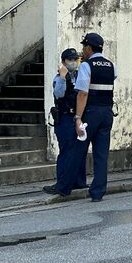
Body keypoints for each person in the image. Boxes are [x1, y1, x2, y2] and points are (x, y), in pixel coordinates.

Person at [55, 33, 117, 202]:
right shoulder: (111, 65)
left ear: (89, 48)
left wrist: (77, 118)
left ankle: (63, 187)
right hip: (107, 113)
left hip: (91, 114)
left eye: (84, 47)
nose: (83, 51)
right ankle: (98, 192)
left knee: (77, 150)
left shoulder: (87, 66)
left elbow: (82, 94)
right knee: (101, 154)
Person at [43, 48, 87, 195]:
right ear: (63, 62)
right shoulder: (59, 78)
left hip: (78, 116)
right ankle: (62, 182)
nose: (74, 62)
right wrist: (63, 77)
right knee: (66, 151)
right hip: (65, 118)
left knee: (79, 149)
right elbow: (59, 94)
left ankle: (79, 181)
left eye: (76, 60)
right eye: (70, 60)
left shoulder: (81, 75)